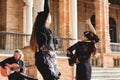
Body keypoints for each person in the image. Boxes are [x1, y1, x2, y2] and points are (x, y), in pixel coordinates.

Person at [30, 0, 60, 80]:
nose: (50, 17)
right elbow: (47, 10)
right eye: (49, 16)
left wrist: (56, 48)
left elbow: (54, 44)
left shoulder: (48, 31)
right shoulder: (41, 29)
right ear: (44, 19)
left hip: (51, 60)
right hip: (43, 60)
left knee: (55, 78)